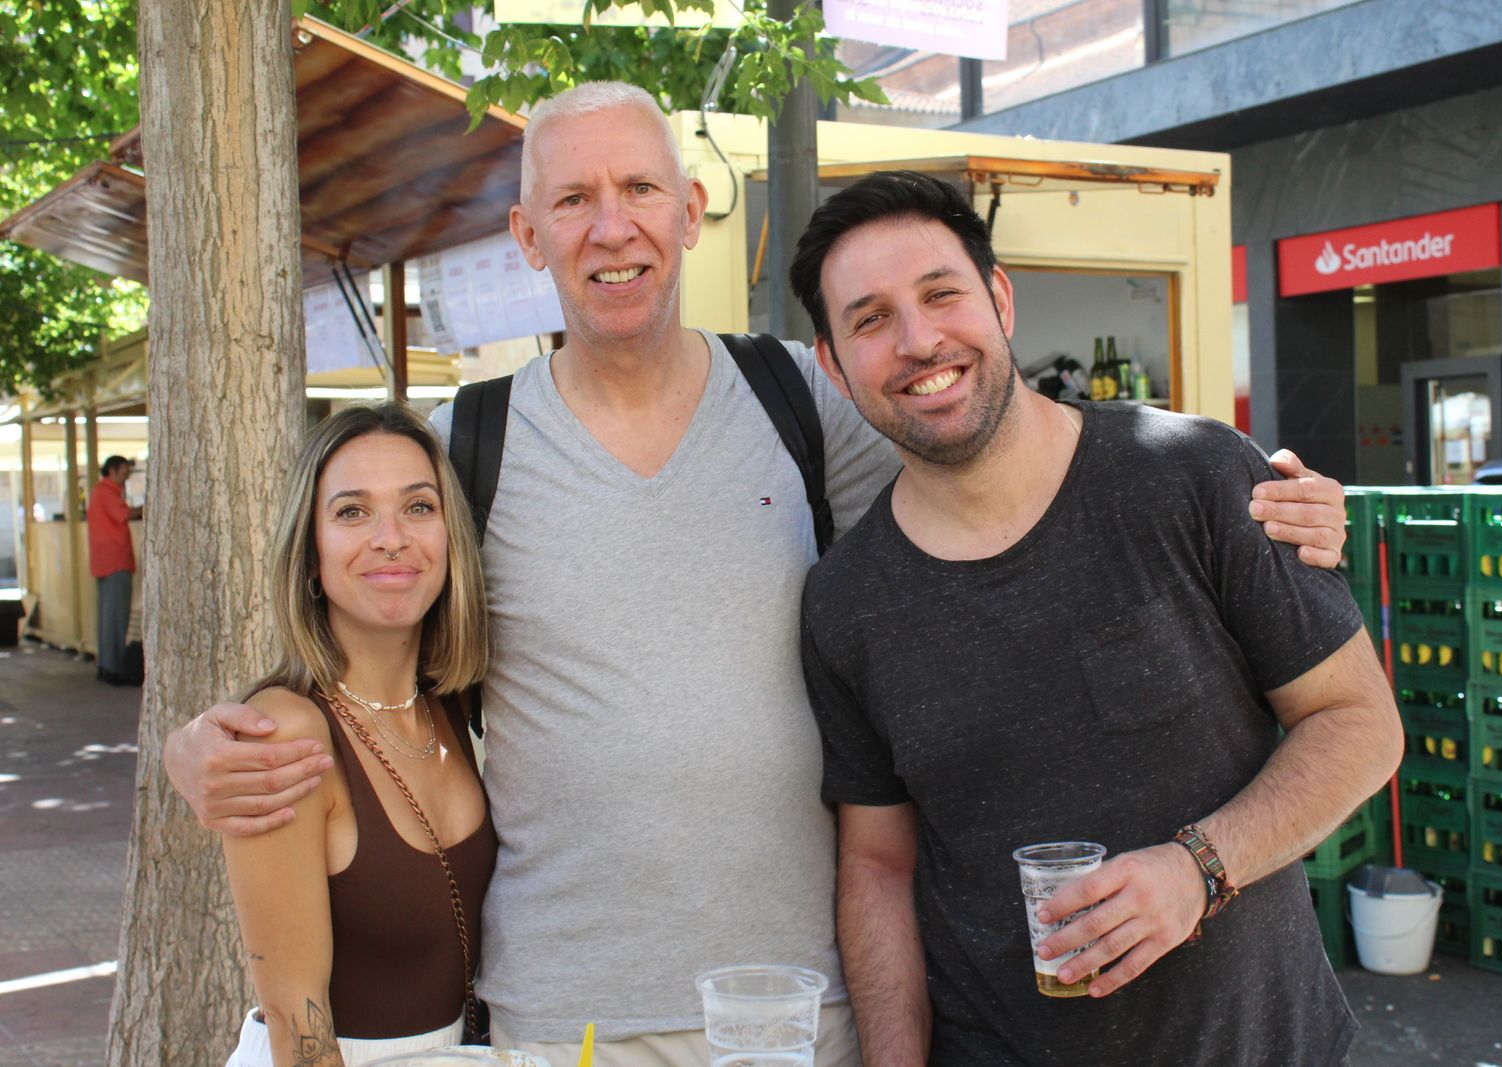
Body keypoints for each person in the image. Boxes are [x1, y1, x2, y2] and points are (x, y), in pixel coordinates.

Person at [165, 83, 1350, 1066]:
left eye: (637, 189)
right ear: (528, 237)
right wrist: (206, 742)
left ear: (687, 211)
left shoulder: (809, 395)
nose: (610, 224)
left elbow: (990, 444)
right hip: (569, 1013)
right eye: (571, 199)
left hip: (805, 1007)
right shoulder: (464, 443)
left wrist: (1273, 498)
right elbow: (364, 620)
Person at [789, 171, 1403, 1066]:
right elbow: (879, 864)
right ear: (833, 366)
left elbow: (1360, 723)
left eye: (941, 293)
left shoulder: (1191, 475)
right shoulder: (846, 602)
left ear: (999, 299)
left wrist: (1200, 868)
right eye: (871, 318)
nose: (920, 341)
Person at [220, 403, 494, 1067]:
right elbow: (295, 1020)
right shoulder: (285, 732)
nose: (391, 537)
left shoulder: (454, 704)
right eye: (352, 511)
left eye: (418, 507)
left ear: (451, 537)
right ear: (311, 556)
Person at [87, 454, 143, 685]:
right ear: (112, 470)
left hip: (104, 561)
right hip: (115, 560)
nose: (127, 475)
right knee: (116, 618)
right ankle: (114, 668)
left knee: (107, 617)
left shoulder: (100, 491)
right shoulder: (107, 491)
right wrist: (145, 508)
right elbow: (124, 514)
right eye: (123, 471)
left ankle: (105, 665)